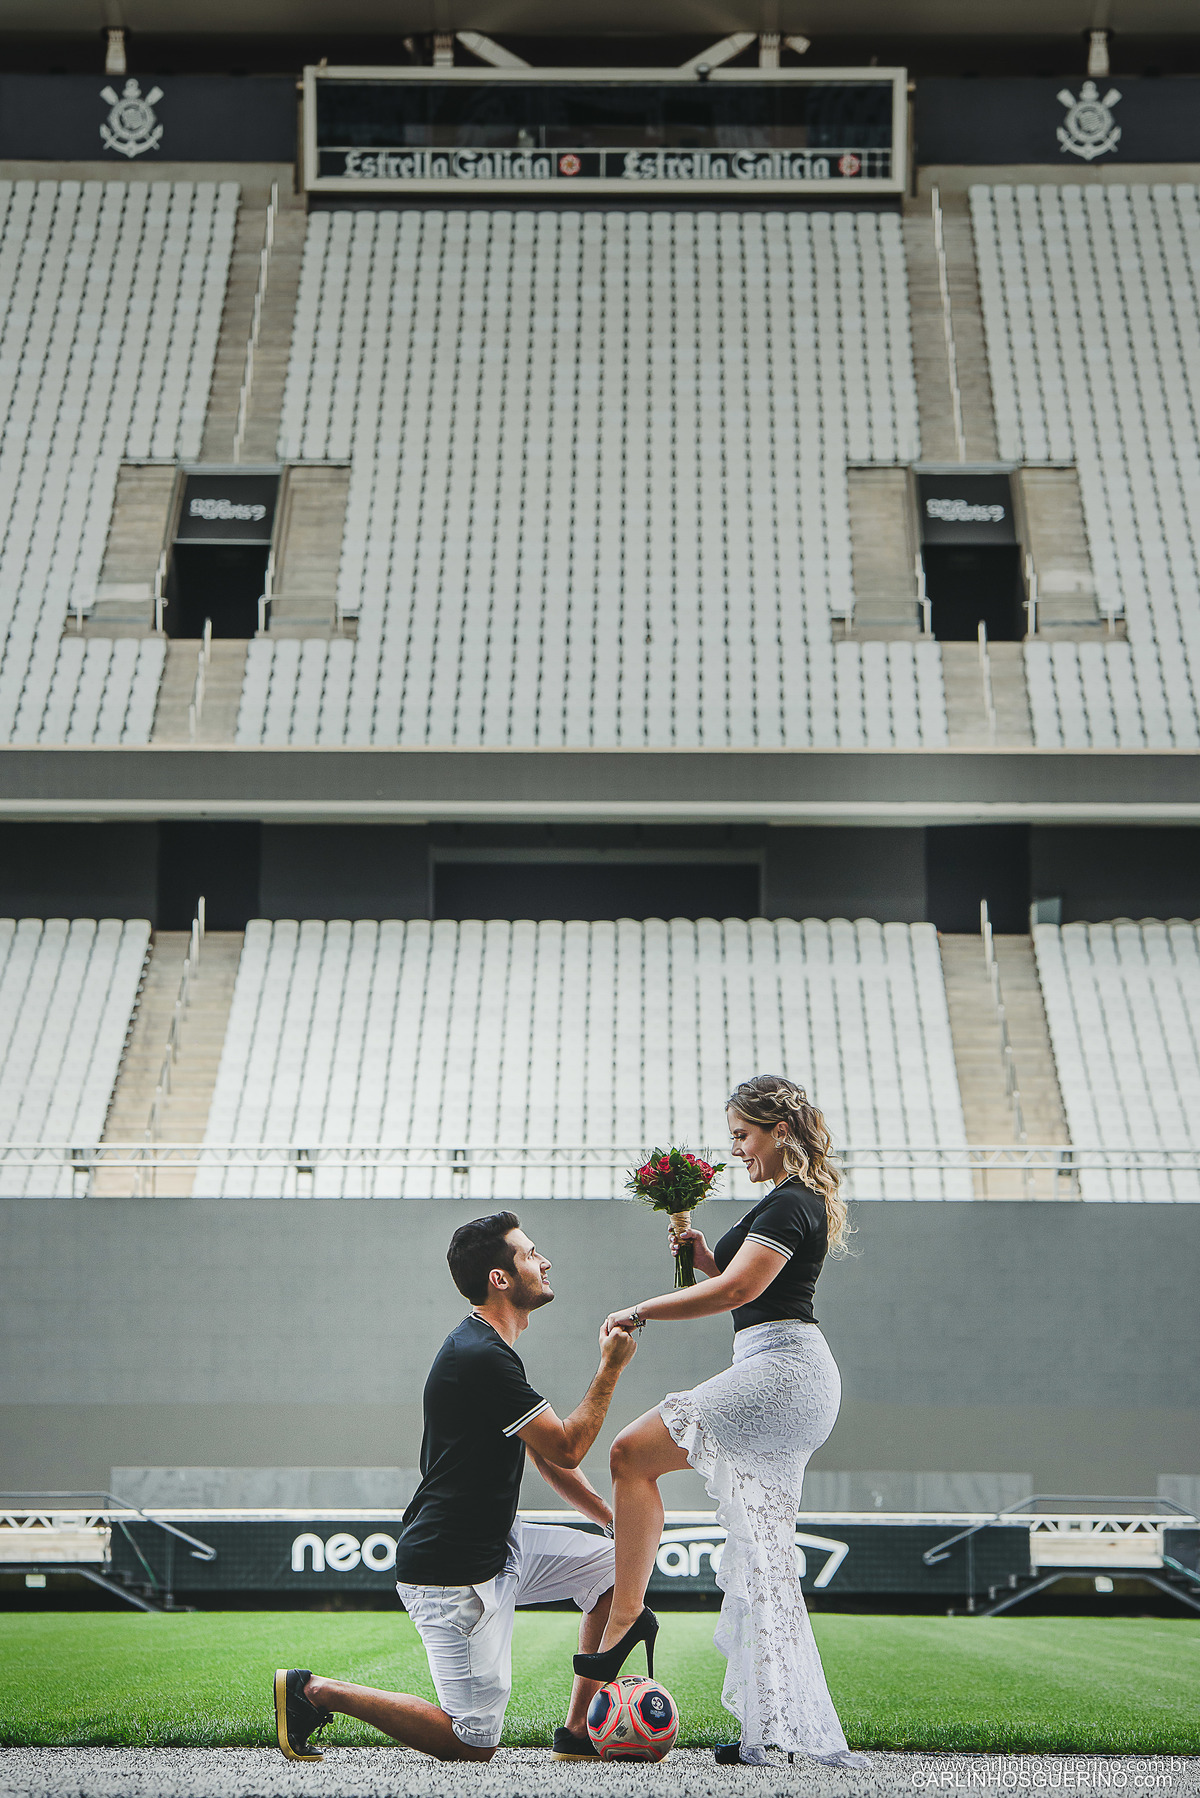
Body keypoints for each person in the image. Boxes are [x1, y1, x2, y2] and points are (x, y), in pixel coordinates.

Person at [574, 1075, 868, 1769]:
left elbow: (739, 1290)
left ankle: (626, 1614)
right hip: (778, 1366)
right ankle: (772, 1729)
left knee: (629, 1454)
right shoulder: (785, 1202)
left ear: (779, 1131)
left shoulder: (791, 1203)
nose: (736, 1149)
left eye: (743, 1135)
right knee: (766, 1556)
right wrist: (701, 1254)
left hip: (784, 1370)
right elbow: (733, 1283)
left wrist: (639, 1309)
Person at [274, 1210, 637, 1764]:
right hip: (453, 1571)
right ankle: (313, 1691)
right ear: (500, 1279)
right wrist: (610, 1367)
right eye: (530, 1254)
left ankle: (577, 1732)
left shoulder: (490, 1350)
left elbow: (544, 1451)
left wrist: (608, 1520)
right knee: (471, 1742)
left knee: (616, 1569)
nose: (544, 1262)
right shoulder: (480, 1356)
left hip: (499, 1543)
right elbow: (567, 1446)